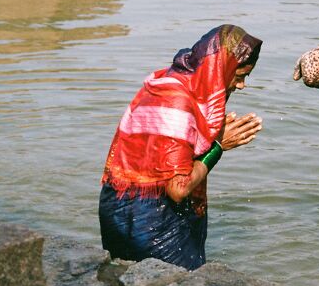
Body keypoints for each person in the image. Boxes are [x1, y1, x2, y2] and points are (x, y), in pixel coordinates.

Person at [99, 24, 263, 270]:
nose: (241, 86)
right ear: (221, 69)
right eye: (239, 76)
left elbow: (164, 149)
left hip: (118, 205)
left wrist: (211, 136)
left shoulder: (167, 81)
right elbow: (179, 188)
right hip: (150, 219)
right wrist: (218, 146)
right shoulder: (179, 102)